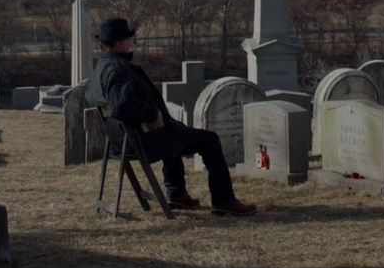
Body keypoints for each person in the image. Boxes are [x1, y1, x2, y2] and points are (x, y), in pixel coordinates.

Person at [88, 17, 258, 217]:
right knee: (209, 139)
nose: (132, 41)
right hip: (140, 140)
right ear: (119, 43)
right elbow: (121, 106)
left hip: (124, 139)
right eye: (129, 38)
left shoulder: (103, 65)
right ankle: (224, 201)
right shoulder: (117, 69)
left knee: (174, 129)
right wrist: (153, 113)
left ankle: (177, 193)